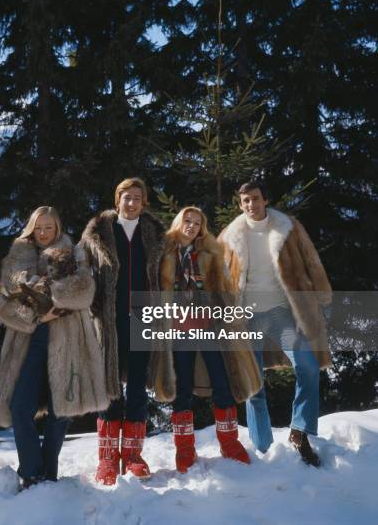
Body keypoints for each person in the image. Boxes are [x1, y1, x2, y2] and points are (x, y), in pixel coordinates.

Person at [0, 206, 108, 489]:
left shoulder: (74, 252)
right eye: (39, 227)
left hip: (68, 343)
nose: (44, 233)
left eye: (49, 227)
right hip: (28, 342)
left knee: (62, 411)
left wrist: (51, 297)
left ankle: (49, 471)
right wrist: (36, 314)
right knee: (21, 407)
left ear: (58, 228)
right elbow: (3, 305)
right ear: (31, 228)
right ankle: (31, 471)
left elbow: (85, 291)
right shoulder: (17, 258)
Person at [219, 182, 332, 466]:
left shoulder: (287, 227)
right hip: (245, 319)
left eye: (254, 199)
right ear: (240, 204)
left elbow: (311, 260)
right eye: (245, 201)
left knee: (307, 364)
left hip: (279, 314)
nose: (250, 205)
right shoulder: (230, 236)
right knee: (254, 387)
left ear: (265, 199)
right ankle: (263, 449)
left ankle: (300, 432)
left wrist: (321, 292)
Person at [154, 206, 262, 472]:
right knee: (183, 388)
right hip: (178, 330)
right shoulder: (163, 253)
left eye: (197, 223)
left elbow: (226, 289)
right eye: (187, 220)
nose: (191, 226)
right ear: (179, 222)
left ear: (202, 228)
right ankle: (185, 450)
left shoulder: (211, 254)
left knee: (222, 382)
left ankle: (230, 443)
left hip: (209, 327)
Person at [80, 177, 173, 485]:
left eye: (137, 198)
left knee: (136, 384)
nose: (131, 203)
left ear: (143, 202)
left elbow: (165, 277)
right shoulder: (98, 233)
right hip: (107, 318)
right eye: (126, 197)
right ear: (117, 199)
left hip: (143, 316)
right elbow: (79, 270)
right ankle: (107, 459)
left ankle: (132, 455)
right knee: (108, 383)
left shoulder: (155, 235)